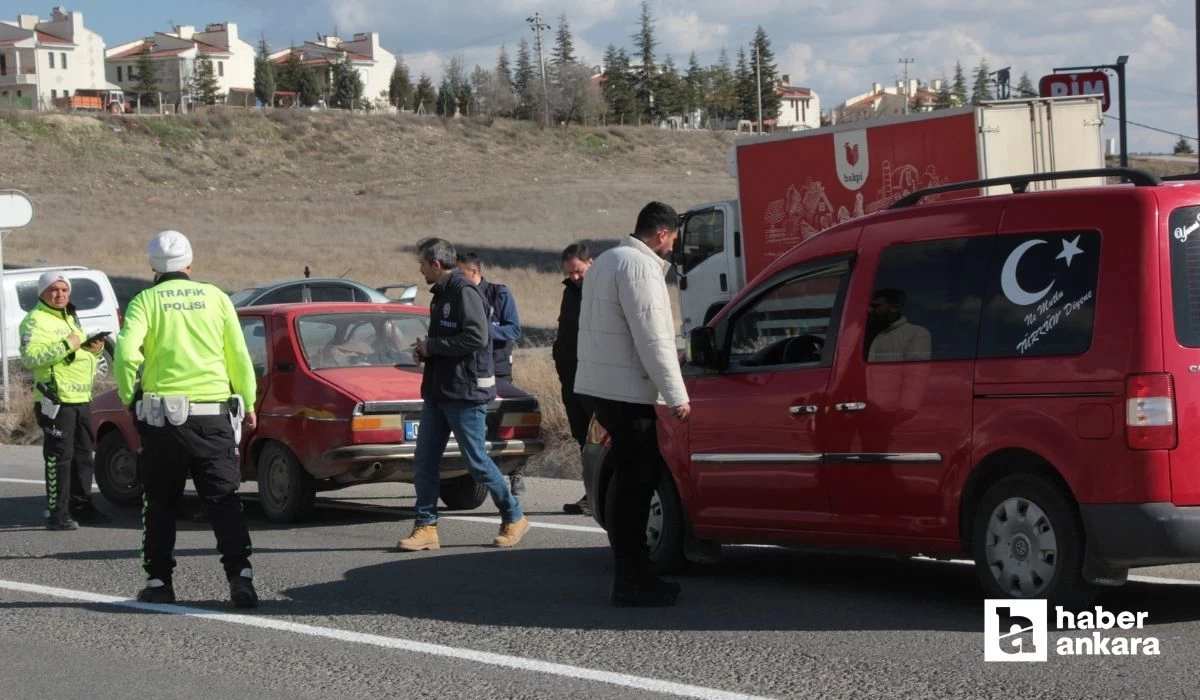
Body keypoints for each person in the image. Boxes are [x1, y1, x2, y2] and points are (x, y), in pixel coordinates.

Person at [114, 230, 260, 608]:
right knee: (224, 501)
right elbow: (238, 356)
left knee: (159, 503)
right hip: (213, 417)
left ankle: (159, 581)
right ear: (190, 264)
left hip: (163, 421)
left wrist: (130, 397)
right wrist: (249, 400)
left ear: (152, 267)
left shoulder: (144, 301)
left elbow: (127, 354)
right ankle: (240, 578)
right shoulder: (216, 297)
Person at [575, 202, 690, 607]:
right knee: (636, 488)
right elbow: (653, 338)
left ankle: (633, 574)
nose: (673, 245)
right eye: (673, 237)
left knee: (629, 485)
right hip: (627, 391)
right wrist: (677, 395)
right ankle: (632, 579)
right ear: (662, 234)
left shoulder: (606, 261)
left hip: (600, 387)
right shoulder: (641, 268)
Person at [398, 238, 529, 552]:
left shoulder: (464, 292)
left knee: (477, 462)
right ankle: (426, 526)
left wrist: (435, 347)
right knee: (425, 462)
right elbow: (447, 337)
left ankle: (514, 516)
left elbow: (476, 336)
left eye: (422, 263)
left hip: (465, 391)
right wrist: (426, 350)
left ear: (436, 264)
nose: (420, 269)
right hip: (438, 390)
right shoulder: (441, 294)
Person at [19, 270, 110, 530]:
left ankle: (82, 506)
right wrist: (67, 345)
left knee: (84, 457)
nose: (60, 294)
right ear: (42, 293)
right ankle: (57, 512)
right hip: (55, 400)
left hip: (80, 397)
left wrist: (95, 348)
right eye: (54, 290)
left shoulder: (70, 316)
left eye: (64, 290)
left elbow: (77, 353)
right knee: (60, 457)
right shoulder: (35, 321)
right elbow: (31, 358)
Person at [454, 251, 527, 494]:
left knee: (503, 424)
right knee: (478, 426)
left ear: (474, 271)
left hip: (497, 369)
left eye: (460, 273)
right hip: (468, 371)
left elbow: (513, 330)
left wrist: (480, 331)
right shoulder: (458, 296)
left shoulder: (499, 293)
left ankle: (516, 472)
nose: (457, 277)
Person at [552, 243, 595, 515]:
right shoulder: (570, 292)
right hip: (572, 380)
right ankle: (591, 493)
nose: (574, 277)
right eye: (570, 273)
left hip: (595, 381)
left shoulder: (601, 290)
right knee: (583, 439)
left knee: (598, 439)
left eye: (578, 271)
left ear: (590, 262)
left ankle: (603, 495)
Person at [866, 288, 931, 362]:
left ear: (894, 308)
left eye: (876, 306)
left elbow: (915, 370)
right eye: (869, 306)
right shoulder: (863, 332)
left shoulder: (916, 333)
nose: (869, 310)